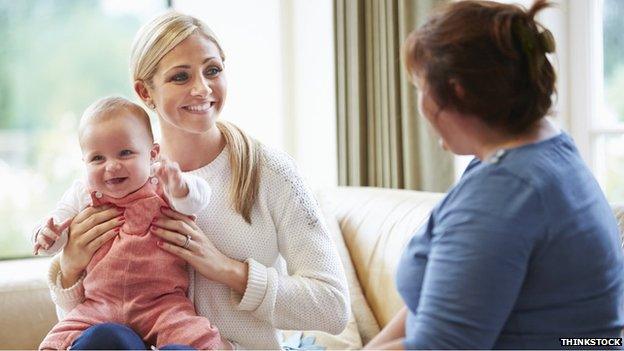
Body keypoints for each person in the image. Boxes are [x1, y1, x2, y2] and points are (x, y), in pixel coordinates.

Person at [44, 11, 349, 350]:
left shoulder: (270, 173)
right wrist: (70, 270)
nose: (202, 88)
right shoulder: (115, 177)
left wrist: (228, 270)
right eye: (180, 77)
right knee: (103, 339)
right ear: (145, 92)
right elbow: (84, 325)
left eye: (212, 71)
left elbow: (334, 307)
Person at [365, 0, 624, 349]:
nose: (420, 105)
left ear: (455, 91)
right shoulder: (543, 152)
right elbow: (434, 306)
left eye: (420, 87)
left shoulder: (505, 192)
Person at [34, 96, 231, 350]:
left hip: (161, 304)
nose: (112, 166)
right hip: (99, 304)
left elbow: (197, 199)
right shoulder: (83, 194)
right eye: (97, 159)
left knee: (197, 337)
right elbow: (58, 227)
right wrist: (46, 235)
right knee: (60, 339)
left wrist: (180, 187)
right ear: (84, 162)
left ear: (152, 155)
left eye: (125, 153)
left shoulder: (163, 184)